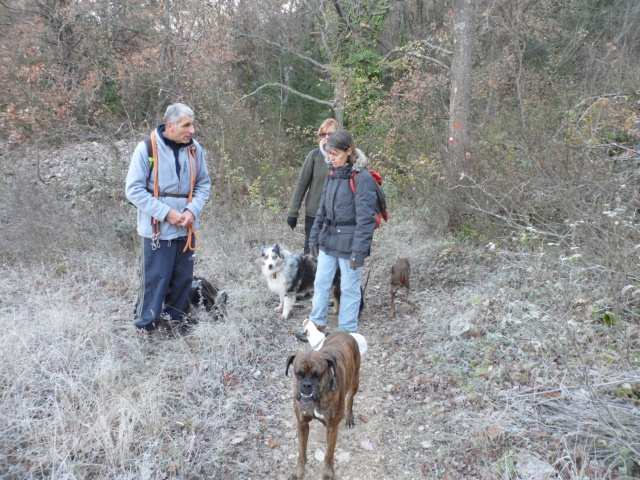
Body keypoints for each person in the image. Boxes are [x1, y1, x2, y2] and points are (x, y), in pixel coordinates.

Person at [125, 103, 211, 332]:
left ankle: (175, 322)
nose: (192, 130)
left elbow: (203, 184)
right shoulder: (146, 149)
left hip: (186, 229)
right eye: (187, 125)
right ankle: (146, 327)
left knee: (182, 280)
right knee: (155, 280)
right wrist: (167, 213)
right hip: (157, 232)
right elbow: (133, 190)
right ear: (170, 126)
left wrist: (192, 211)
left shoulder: (195, 149)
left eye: (193, 124)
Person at [305, 130, 377, 334]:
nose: (331, 158)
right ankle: (317, 323)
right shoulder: (332, 173)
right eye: (329, 154)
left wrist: (359, 252)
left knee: (349, 288)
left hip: (350, 243)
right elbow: (322, 208)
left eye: (335, 154)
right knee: (321, 282)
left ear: (349, 151)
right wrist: (314, 237)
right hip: (329, 238)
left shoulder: (362, 179)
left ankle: (346, 331)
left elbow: (365, 220)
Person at [287, 119, 339, 254]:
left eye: (331, 134)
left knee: (333, 255)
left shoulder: (344, 157)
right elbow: (301, 184)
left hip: (338, 216)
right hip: (314, 214)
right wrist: (293, 212)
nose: (326, 137)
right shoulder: (314, 156)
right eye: (323, 134)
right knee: (311, 254)